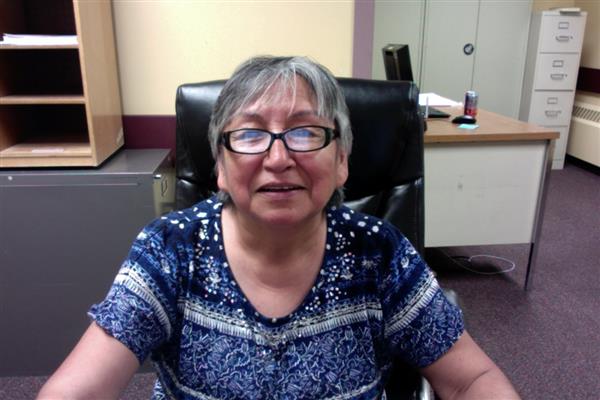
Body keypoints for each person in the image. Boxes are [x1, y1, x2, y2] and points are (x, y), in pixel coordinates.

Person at [38, 56, 520, 400]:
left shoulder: (379, 253)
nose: (278, 158)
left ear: (342, 161)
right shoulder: (171, 248)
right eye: (249, 134)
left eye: (306, 132)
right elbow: (79, 388)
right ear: (221, 169)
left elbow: (472, 380)